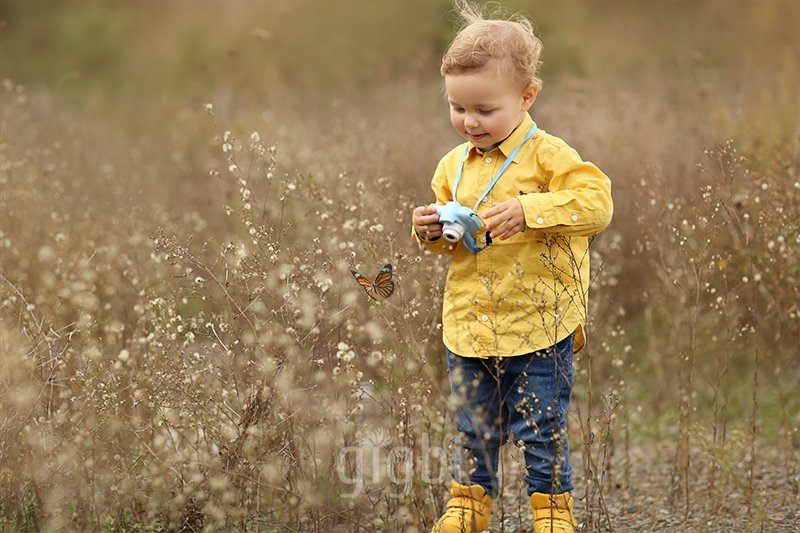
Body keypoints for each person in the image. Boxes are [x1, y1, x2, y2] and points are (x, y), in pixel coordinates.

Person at [411, 2, 613, 532]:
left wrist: (531, 210)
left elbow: (597, 203)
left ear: (527, 97)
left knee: (540, 427)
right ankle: (468, 507)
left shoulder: (548, 156)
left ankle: (551, 514)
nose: (469, 122)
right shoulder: (451, 167)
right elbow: (451, 246)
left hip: (540, 323)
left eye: (484, 109)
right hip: (471, 323)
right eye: (457, 108)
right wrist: (429, 231)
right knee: (474, 426)